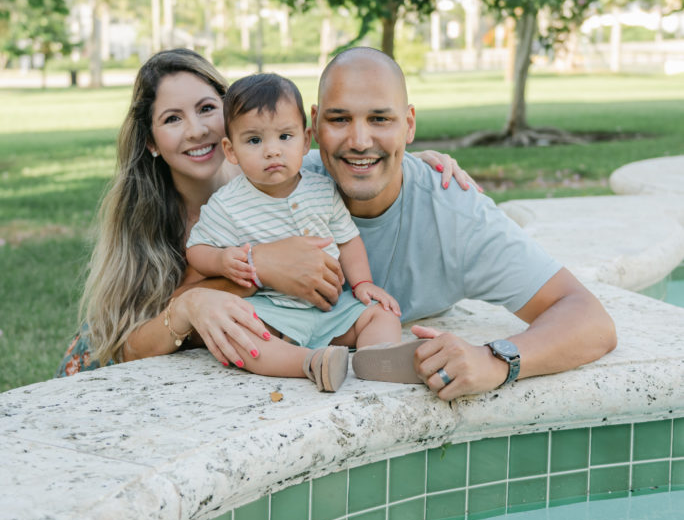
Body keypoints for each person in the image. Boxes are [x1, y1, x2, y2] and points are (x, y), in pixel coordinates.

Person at [57, 49, 463, 376]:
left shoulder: (278, 170)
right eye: (172, 119)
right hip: (109, 362)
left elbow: (353, 158)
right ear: (152, 142)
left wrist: (413, 164)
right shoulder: (148, 221)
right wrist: (245, 273)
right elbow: (127, 348)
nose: (197, 130)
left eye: (206, 108)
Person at [306, 47, 618, 399]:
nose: (360, 142)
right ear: (314, 125)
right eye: (339, 119)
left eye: (380, 119)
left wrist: (496, 360)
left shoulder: (455, 212)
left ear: (408, 125)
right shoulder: (275, 185)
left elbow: (591, 321)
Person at [185, 73, 408, 392]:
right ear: (230, 150)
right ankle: (310, 363)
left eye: (284, 137)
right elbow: (196, 249)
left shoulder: (322, 188)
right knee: (240, 334)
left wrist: (362, 284)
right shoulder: (227, 204)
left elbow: (348, 240)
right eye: (254, 140)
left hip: (332, 309)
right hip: (275, 314)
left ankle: (375, 359)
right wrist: (221, 260)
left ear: (306, 140)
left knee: (381, 314)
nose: (272, 151)